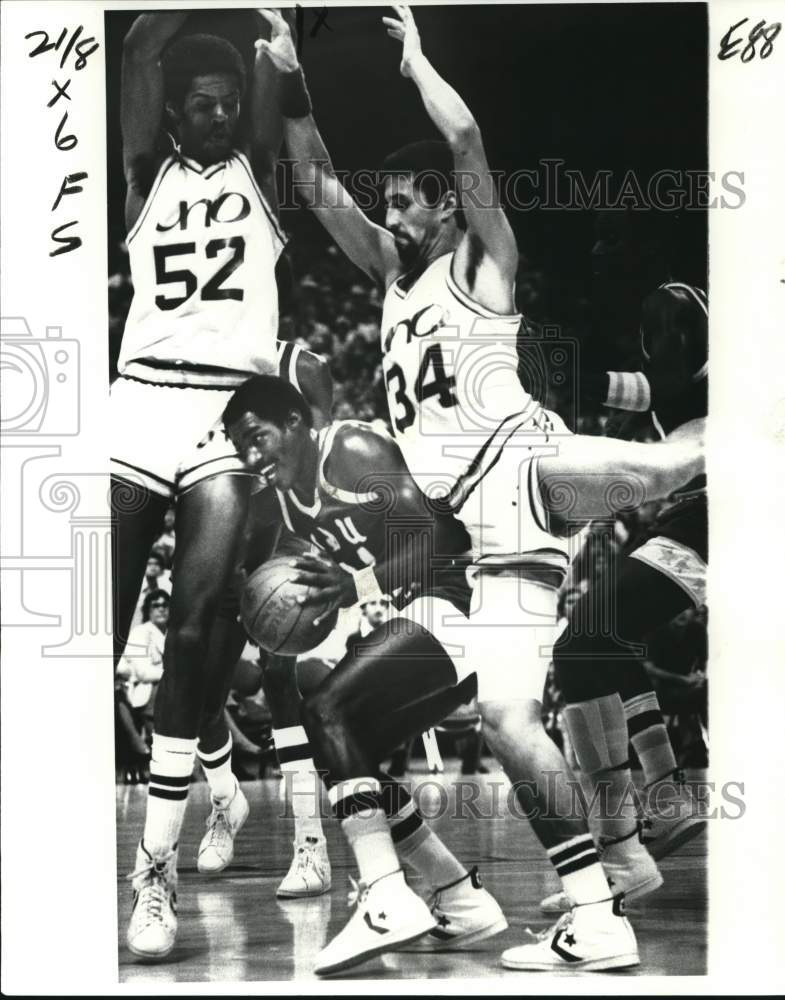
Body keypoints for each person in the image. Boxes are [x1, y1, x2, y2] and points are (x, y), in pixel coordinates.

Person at [257, 5, 705, 973]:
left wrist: (414, 60)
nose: (395, 216)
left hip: (516, 464)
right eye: (393, 206)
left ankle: (728, 422)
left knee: (669, 465)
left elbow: (464, 141)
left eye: (411, 203)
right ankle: (595, 911)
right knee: (507, 719)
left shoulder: (480, 263)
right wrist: (294, 78)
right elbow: (313, 176)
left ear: (449, 209)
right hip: (486, 526)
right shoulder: (388, 275)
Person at [113, 11, 332, 960]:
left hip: (219, 418)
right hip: (137, 403)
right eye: (200, 107)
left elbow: (267, 100)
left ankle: (152, 871)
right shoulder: (140, 177)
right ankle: (213, 789)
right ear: (172, 116)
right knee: (94, 625)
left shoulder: (257, 174)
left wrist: (264, 40)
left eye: (227, 107)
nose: (216, 117)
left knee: (199, 632)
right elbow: (135, 50)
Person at [223, 375, 509, 966]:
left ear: (297, 423)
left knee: (326, 711)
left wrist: (354, 585)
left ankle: (385, 896)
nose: (251, 456)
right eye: (239, 446)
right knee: (344, 750)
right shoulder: (278, 503)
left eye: (258, 437)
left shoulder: (349, 450)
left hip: (471, 593)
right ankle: (459, 896)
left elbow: (433, 534)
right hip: (428, 607)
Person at [541, 281, 709, 914]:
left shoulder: (693, 326)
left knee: (584, 642)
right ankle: (661, 802)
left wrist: (563, 370)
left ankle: (628, 845)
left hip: (721, 515)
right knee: (596, 640)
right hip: (696, 516)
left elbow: (646, 383)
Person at [130, 551, 171, 630]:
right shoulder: (136, 591)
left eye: (156, 564)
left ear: (162, 569)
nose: (153, 567)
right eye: (149, 564)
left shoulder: (165, 592)